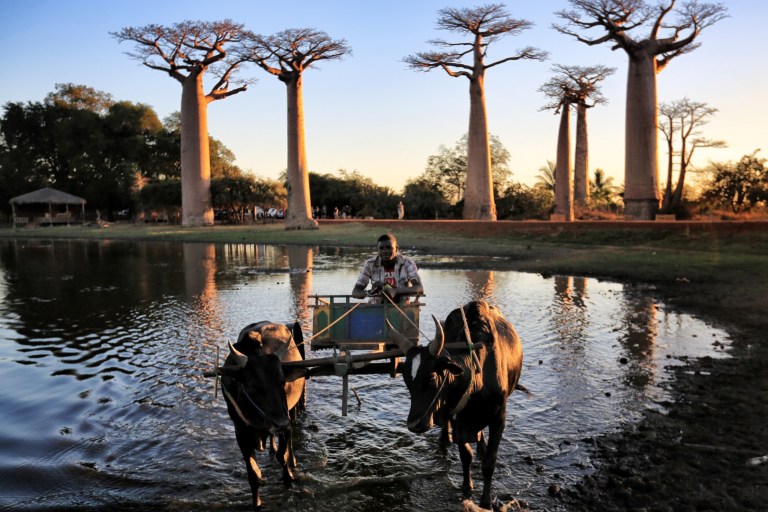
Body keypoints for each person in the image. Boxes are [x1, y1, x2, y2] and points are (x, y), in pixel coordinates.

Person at [351, 233, 423, 303]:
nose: (385, 251)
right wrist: (371, 292)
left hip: (401, 308)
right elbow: (355, 292)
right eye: (381, 248)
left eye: (389, 247)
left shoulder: (407, 263)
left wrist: (396, 291)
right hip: (376, 307)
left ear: (396, 248)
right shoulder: (370, 264)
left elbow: (420, 289)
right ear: (378, 250)